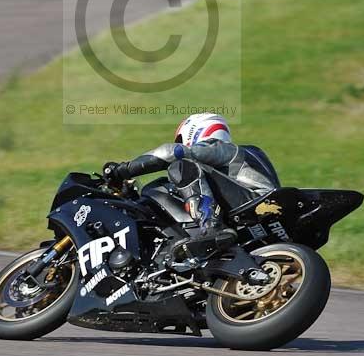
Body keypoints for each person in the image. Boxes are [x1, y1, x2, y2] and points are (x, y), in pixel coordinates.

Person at [103, 112, 280, 271]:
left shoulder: (226, 149)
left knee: (181, 166)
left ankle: (210, 226)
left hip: (254, 206)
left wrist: (121, 170)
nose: (179, 143)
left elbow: (172, 152)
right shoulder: (241, 159)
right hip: (262, 219)